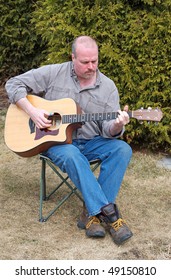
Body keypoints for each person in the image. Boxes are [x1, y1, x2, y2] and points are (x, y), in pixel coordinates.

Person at [5, 35, 133, 245]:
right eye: (85, 62)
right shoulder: (54, 72)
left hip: (91, 142)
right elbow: (13, 84)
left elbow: (108, 130)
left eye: (95, 61)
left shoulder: (108, 87)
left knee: (122, 149)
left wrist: (118, 125)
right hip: (57, 144)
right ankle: (109, 215)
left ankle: (91, 214)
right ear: (72, 57)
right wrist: (33, 112)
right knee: (72, 154)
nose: (91, 66)